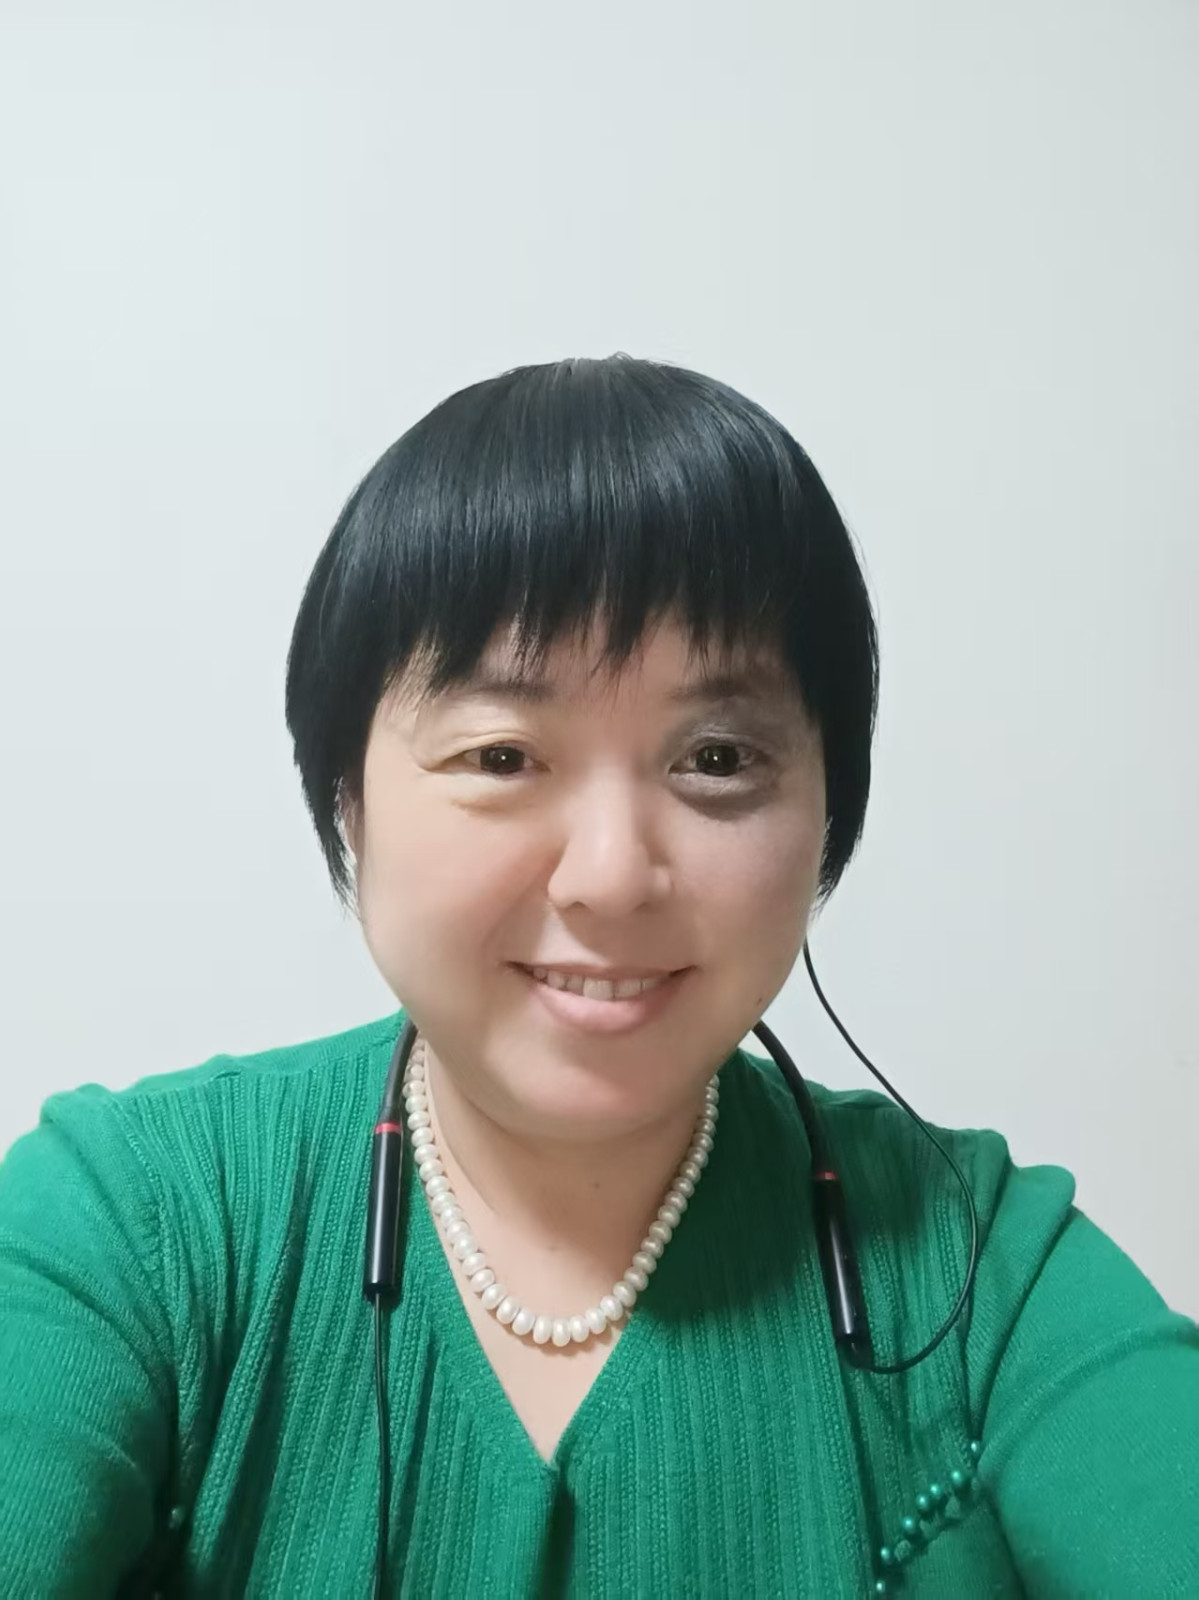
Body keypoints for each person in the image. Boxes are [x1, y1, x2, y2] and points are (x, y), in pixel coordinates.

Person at [0, 355, 1196, 1599]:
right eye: (501, 754)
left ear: (826, 805)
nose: (613, 877)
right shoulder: (132, 1222)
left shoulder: (977, 1264)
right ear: (348, 796)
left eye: (716, 757)